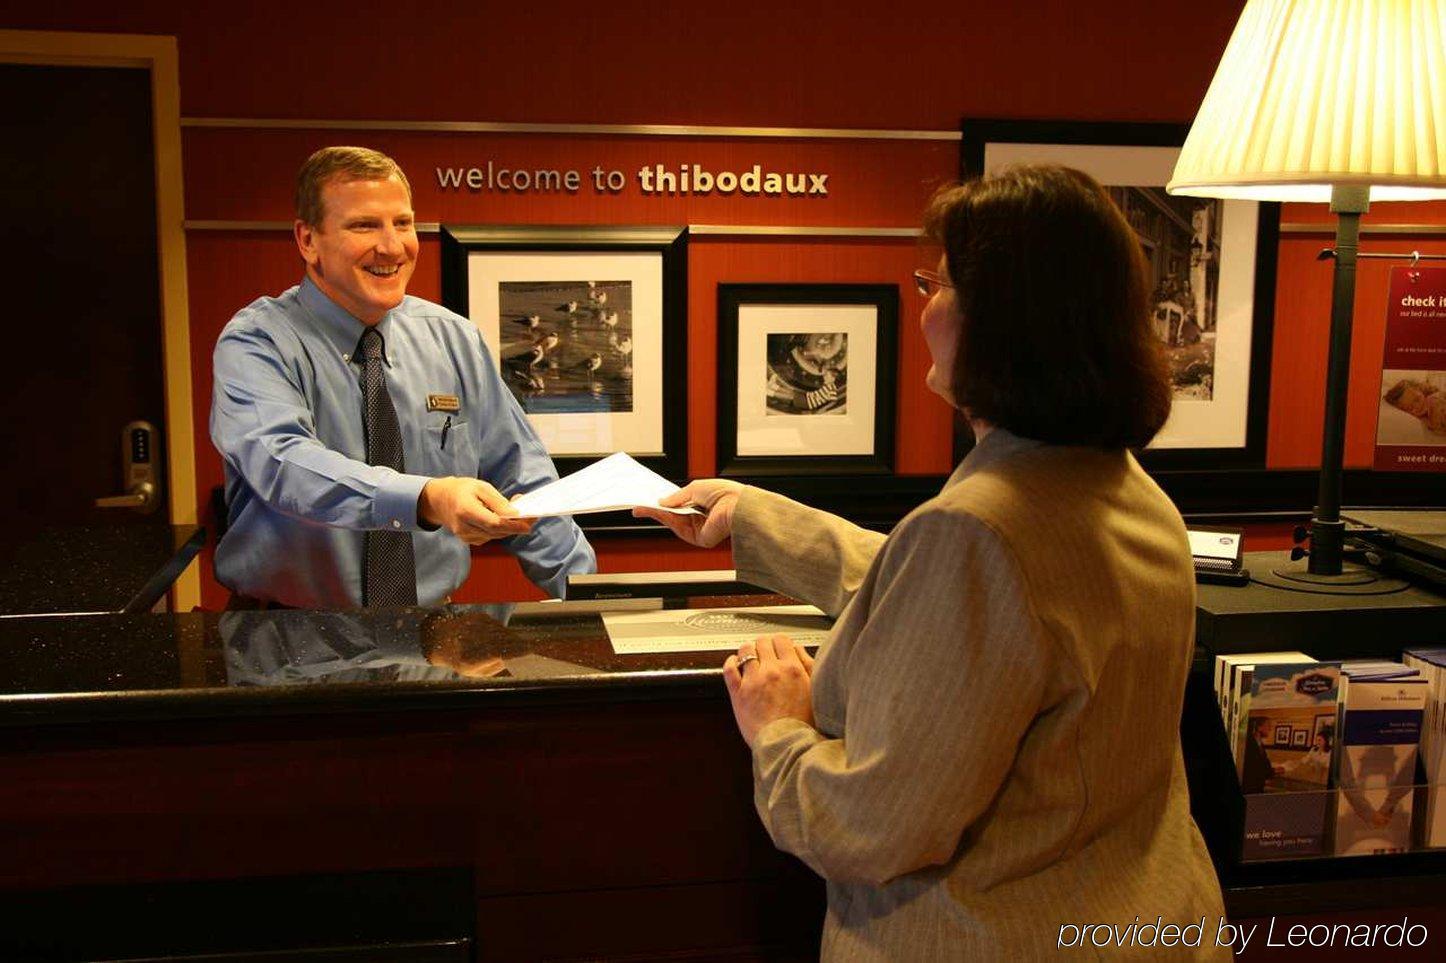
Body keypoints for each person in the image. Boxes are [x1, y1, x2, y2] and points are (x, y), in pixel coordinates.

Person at [636, 165, 1228, 959]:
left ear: (1003, 322)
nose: (924, 308)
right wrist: (757, 518)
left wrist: (778, 731)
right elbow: (964, 603)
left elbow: (871, 825)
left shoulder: (978, 531)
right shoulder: (1123, 487)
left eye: (939, 283)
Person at [211, 146, 595, 608]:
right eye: (364, 225)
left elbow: (524, 479)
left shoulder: (452, 339)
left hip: (431, 638)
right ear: (307, 240)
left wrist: (591, 600)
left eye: (403, 223)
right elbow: (283, 465)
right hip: (285, 641)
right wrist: (424, 498)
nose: (392, 246)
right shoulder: (258, 342)